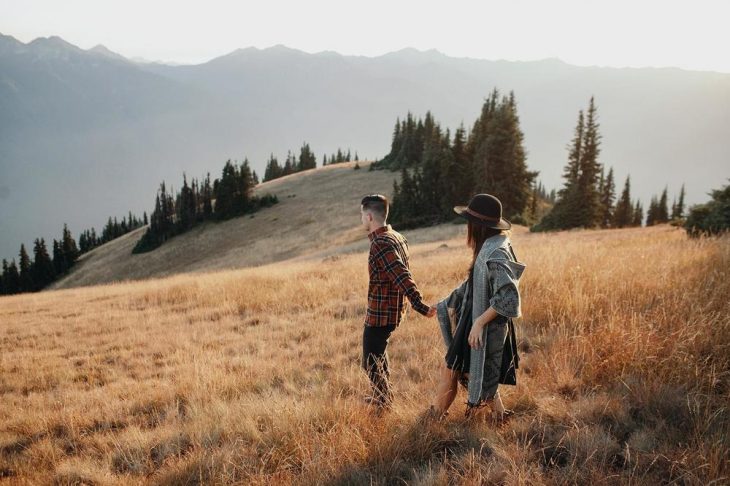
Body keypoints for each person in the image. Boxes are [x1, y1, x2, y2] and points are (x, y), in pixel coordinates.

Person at [429, 193, 525, 421]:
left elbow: (509, 298)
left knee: (452, 368)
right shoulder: (491, 245)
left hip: (483, 325)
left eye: (469, 223)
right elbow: (473, 285)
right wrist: (445, 303)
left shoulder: (496, 253)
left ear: (478, 226)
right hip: (473, 321)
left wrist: (479, 322)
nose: (467, 228)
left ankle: (433, 419)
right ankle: (500, 416)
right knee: (472, 371)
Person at [360, 194, 436, 411]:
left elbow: (401, 275)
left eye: (361, 216)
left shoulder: (381, 243)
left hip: (381, 314)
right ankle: (384, 397)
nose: (361, 220)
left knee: (371, 361)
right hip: (392, 312)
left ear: (369, 216)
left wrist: (420, 306)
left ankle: (384, 403)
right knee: (378, 356)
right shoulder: (396, 236)